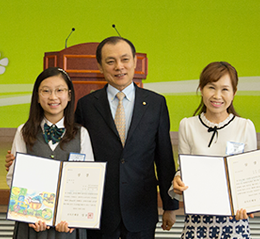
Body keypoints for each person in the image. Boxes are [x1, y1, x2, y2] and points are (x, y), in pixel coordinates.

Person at [5, 37, 179, 238]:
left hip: (140, 208)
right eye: (110, 61)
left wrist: (170, 206)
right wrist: (18, 164)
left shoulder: (156, 103)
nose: (119, 67)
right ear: (100, 66)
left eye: (125, 59)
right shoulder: (87, 105)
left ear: (135, 61)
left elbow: (164, 156)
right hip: (100, 212)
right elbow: (74, 152)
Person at [170, 61, 257, 239]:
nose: (217, 95)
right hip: (197, 218)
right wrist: (177, 181)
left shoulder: (245, 126)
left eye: (225, 89)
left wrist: (248, 204)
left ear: (234, 93)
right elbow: (182, 169)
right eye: (211, 87)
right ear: (201, 89)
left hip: (234, 220)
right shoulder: (188, 125)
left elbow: (250, 176)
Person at [6, 67, 94, 239]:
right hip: (31, 226)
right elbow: (13, 178)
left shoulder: (81, 133)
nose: (53, 97)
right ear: (37, 97)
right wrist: (32, 214)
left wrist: (72, 216)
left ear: (69, 95)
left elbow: (88, 181)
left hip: (68, 227)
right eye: (46, 91)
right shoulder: (23, 131)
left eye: (59, 90)